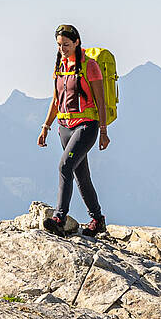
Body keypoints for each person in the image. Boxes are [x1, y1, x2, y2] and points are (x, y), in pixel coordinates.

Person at [38, 23, 110, 236]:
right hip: (64, 127)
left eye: (66, 44)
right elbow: (55, 100)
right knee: (80, 174)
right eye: (59, 45)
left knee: (64, 166)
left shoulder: (90, 66)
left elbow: (101, 101)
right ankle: (97, 219)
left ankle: (59, 217)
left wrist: (104, 132)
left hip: (86, 126)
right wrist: (46, 127)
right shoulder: (60, 65)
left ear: (77, 42)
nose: (62, 49)